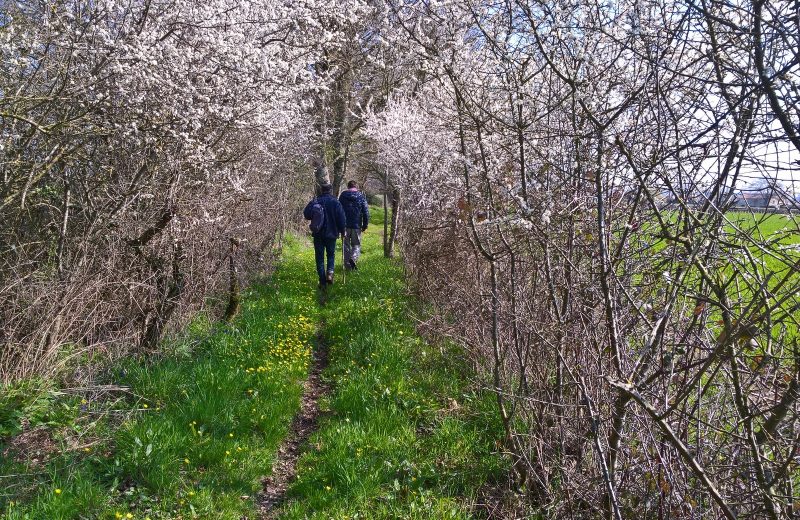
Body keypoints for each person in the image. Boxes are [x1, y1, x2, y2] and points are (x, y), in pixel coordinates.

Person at [304, 182, 346, 287]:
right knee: (331, 254)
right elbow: (341, 218)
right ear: (330, 190)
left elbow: (306, 214)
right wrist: (342, 231)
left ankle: (322, 282)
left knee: (319, 257)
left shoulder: (316, 201)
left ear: (321, 190)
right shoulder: (335, 202)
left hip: (318, 233)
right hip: (332, 234)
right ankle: (330, 273)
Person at [338, 180, 370, 270]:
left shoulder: (343, 196)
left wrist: (339, 224)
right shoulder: (361, 196)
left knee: (346, 245)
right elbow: (366, 212)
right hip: (356, 225)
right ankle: (353, 258)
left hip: (345, 225)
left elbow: (339, 210)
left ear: (348, 187)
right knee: (356, 245)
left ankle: (348, 266)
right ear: (356, 187)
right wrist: (365, 225)